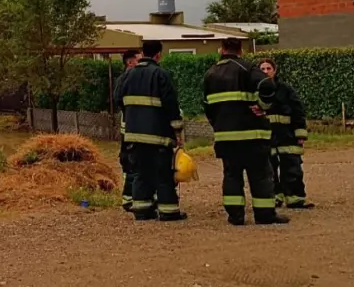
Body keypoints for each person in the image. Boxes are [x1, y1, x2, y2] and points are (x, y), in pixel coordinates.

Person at [203, 38, 289, 226]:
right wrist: (263, 106)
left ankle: (236, 216)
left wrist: (217, 124)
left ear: (222, 49)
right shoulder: (248, 68)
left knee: (232, 175)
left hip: (225, 136)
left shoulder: (210, 74)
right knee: (259, 175)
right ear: (240, 50)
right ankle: (264, 215)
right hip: (252, 135)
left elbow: (207, 106)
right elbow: (267, 85)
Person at [114, 40, 186, 221]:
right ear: (158, 55)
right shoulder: (160, 74)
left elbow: (119, 100)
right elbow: (171, 105)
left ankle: (141, 211)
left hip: (133, 136)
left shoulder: (127, 77)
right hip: (158, 137)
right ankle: (169, 212)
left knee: (140, 174)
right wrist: (177, 131)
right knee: (163, 174)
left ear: (143, 52)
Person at [259, 58, 314, 209]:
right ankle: (275, 197)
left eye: (268, 68)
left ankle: (295, 198)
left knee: (292, 168)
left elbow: (298, 111)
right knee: (268, 171)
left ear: (274, 71)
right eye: (262, 69)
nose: (265, 71)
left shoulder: (286, 90)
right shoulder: (256, 92)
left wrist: (300, 134)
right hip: (266, 137)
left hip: (287, 136)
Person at [113, 49, 142, 211]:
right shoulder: (125, 80)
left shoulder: (133, 78)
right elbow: (119, 100)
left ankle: (131, 197)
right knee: (130, 162)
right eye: (139, 59)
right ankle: (129, 197)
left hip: (131, 128)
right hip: (130, 129)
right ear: (130, 62)